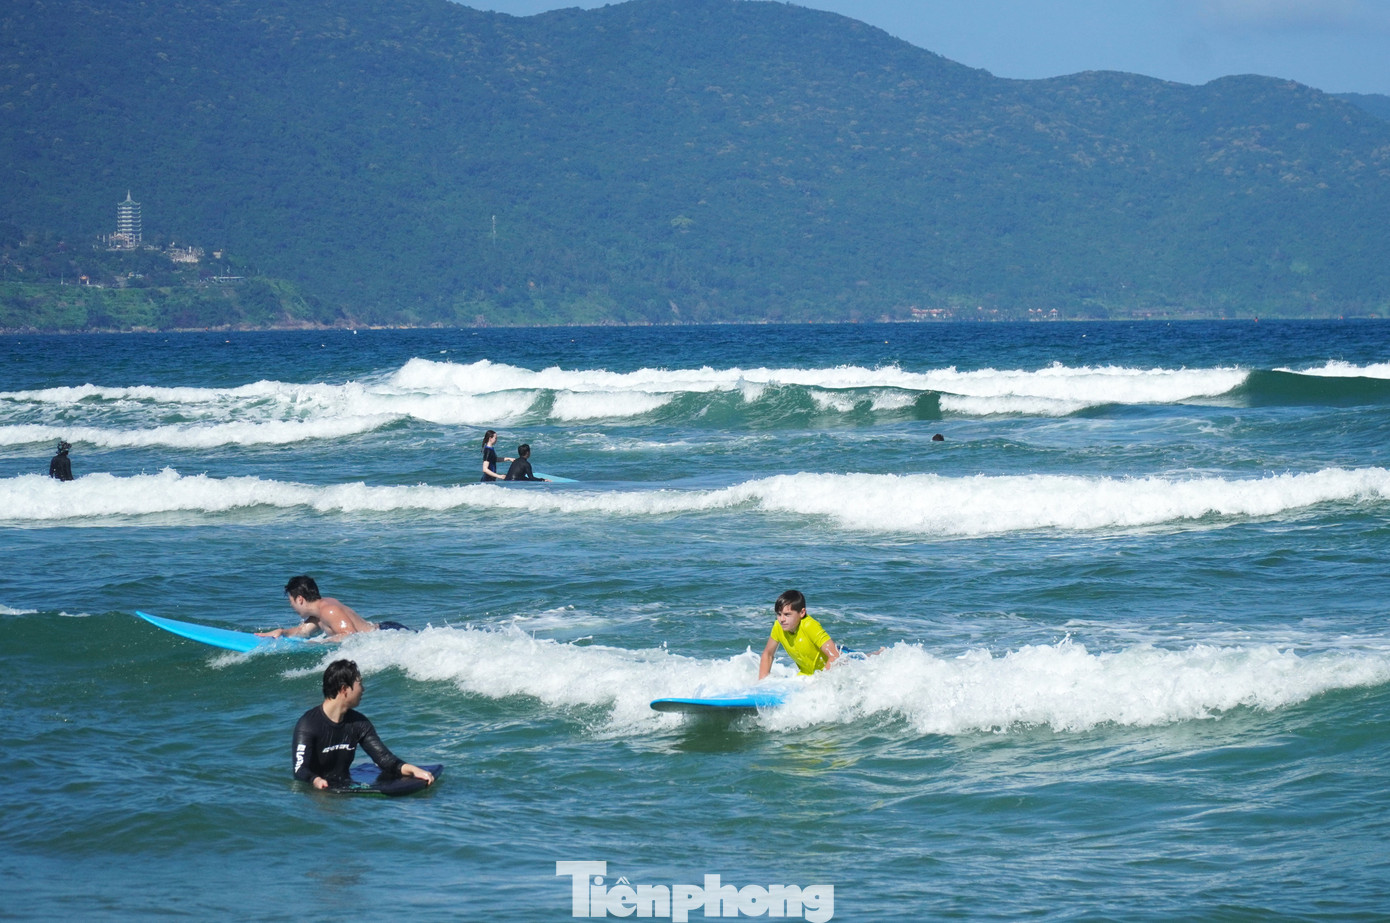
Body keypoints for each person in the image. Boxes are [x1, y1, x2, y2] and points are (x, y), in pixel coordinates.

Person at [291, 659, 434, 790]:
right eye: (360, 684)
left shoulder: (359, 723)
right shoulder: (308, 724)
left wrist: (414, 770)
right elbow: (300, 769)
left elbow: (384, 759)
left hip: (345, 790)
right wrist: (315, 780)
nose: (363, 689)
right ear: (344, 689)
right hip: (316, 796)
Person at [256, 575, 409, 639]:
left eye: (291, 602)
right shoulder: (318, 613)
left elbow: (350, 635)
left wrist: (320, 643)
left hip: (387, 632)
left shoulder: (328, 610)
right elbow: (302, 631)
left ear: (300, 599)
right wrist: (281, 632)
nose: (292, 607)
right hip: (383, 632)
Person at [757, 589, 842, 680]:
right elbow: (768, 654)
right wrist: (762, 683)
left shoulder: (810, 626)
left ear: (802, 613)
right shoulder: (778, 627)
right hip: (806, 675)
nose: (782, 619)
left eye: (787, 614)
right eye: (779, 614)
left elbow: (835, 656)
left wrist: (820, 682)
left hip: (836, 670)